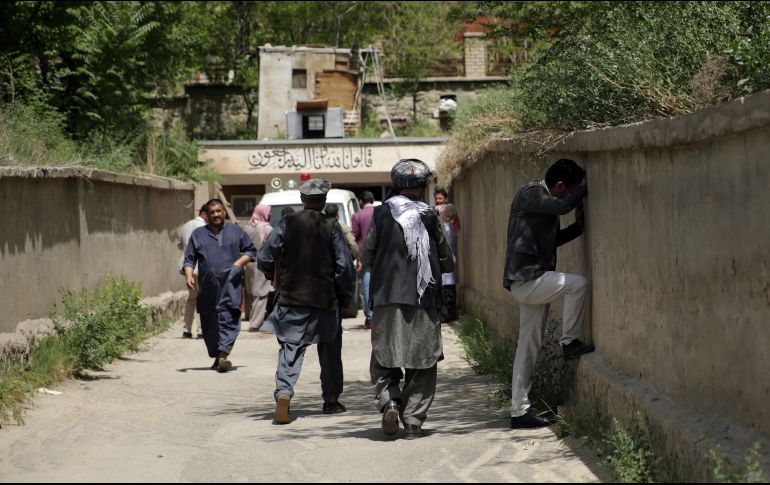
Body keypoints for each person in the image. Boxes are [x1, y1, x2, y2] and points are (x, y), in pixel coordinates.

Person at [362, 159, 454, 439]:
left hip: (387, 297)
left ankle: (390, 401)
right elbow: (446, 261)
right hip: (425, 299)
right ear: (424, 186)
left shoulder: (380, 214)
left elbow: (366, 255)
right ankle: (413, 421)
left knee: (383, 357)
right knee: (423, 361)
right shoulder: (429, 216)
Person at [503, 158, 594, 429]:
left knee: (527, 346)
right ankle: (570, 342)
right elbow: (563, 205)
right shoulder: (531, 193)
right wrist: (584, 189)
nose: (568, 195)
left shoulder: (543, 204)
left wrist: (577, 228)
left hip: (531, 279)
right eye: (568, 189)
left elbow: (550, 240)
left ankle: (519, 411)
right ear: (559, 185)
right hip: (527, 278)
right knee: (577, 284)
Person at [258, 179, 354, 424]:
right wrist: (344, 295)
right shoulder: (332, 226)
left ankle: (284, 392)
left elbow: (266, 256)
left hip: (291, 298)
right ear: (323, 201)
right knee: (330, 351)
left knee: (290, 349)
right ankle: (331, 402)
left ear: (302, 200)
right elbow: (344, 266)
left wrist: (274, 276)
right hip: (324, 299)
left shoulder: (287, 222)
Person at [183, 199, 257, 373]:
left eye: (219, 211)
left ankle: (223, 355)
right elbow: (189, 258)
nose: (216, 214)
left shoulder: (236, 231)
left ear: (224, 212)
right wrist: (188, 275)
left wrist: (237, 265)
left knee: (230, 316)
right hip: (208, 287)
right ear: (206, 215)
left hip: (231, 284)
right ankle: (217, 355)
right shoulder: (198, 234)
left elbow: (251, 251)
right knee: (210, 323)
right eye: (212, 212)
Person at [177, 204, 209, 339]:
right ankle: (201, 330)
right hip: (199, 267)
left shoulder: (186, 225)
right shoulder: (204, 228)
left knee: (191, 298)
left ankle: (187, 329)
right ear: (204, 214)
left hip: (186, 266)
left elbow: (180, 245)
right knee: (202, 299)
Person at [243, 204, 274, 333]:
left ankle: (251, 317)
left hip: (248, 263)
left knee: (252, 292)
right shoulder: (267, 229)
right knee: (261, 294)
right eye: (269, 212)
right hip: (261, 265)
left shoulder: (247, 227)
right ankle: (255, 324)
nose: (270, 215)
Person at [351, 191, 376, 329]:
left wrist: (357, 257)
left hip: (365, 256)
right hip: (382, 256)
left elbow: (354, 237)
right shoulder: (381, 212)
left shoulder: (357, 215)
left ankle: (371, 318)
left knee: (367, 287)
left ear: (361, 201)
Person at [436, 203, 460, 323]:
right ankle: (449, 314)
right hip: (449, 263)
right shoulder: (452, 227)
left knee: (446, 292)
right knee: (448, 290)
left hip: (445, 263)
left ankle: (447, 315)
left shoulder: (447, 228)